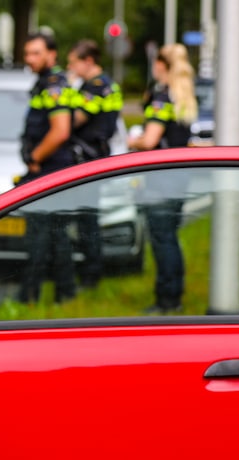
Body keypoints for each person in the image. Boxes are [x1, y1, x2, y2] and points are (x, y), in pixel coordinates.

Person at [128, 43, 197, 314]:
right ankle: (175, 296)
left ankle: (165, 300)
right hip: (180, 176)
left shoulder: (161, 97)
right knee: (171, 238)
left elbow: (151, 140)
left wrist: (134, 141)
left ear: (161, 65)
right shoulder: (183, 96)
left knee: (162, 239)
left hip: (160, 178)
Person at [17, 31, 79, 304]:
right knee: (56, 235)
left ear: (52, 54)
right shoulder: (44, 83)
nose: (29, 59)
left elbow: (60, 131)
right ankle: (64, 294)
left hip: (49, 170)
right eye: (27, 53)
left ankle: (31, 295)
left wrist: (36, 159)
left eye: (36, 53)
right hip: (50, 168)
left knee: (41, 236)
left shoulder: (53, 84)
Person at [66, 39, 123, 288]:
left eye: (73, 63)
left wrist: (67, 91)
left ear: (88, 61)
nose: (71, 68)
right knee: (88, 215)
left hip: (88, 158)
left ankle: (91, 274)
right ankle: (91, 270)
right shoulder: (109, 85)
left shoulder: (94, 87)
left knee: (87, 218)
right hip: (97, 154)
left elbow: (74, 120)